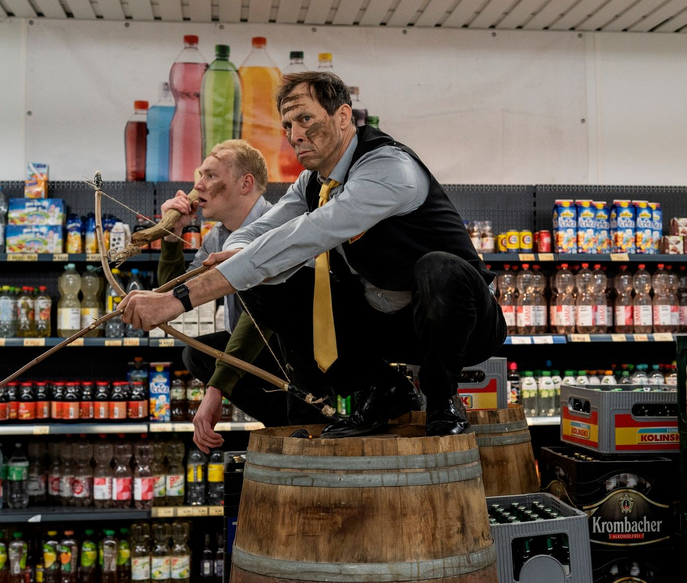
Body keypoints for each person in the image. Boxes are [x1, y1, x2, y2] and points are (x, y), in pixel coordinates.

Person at [120, 71, 506, 448]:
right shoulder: (312, 184)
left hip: (463, 324)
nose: (295, 134)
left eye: (305, 119)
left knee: (438, 268)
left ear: (342, 116)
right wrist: (236, 254)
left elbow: (307, 234)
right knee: (267, 286)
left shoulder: (387, 168)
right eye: (288, 125)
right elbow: (258, 233)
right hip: (390, 326)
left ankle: (442, 399)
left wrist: (177, 300)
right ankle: (383, 389)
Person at [157, 139, 319, 431]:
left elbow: (269, 308)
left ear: (246, 183)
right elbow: (172, 297)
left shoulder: (282, 228)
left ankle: (308, 421)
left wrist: (217, 388)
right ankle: (279, 426)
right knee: (197, 354)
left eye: (210, 176)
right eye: (199, 176)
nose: (198, 186)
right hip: (254, 352)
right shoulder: (217, 238)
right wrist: (172, 236)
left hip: (299, 353)